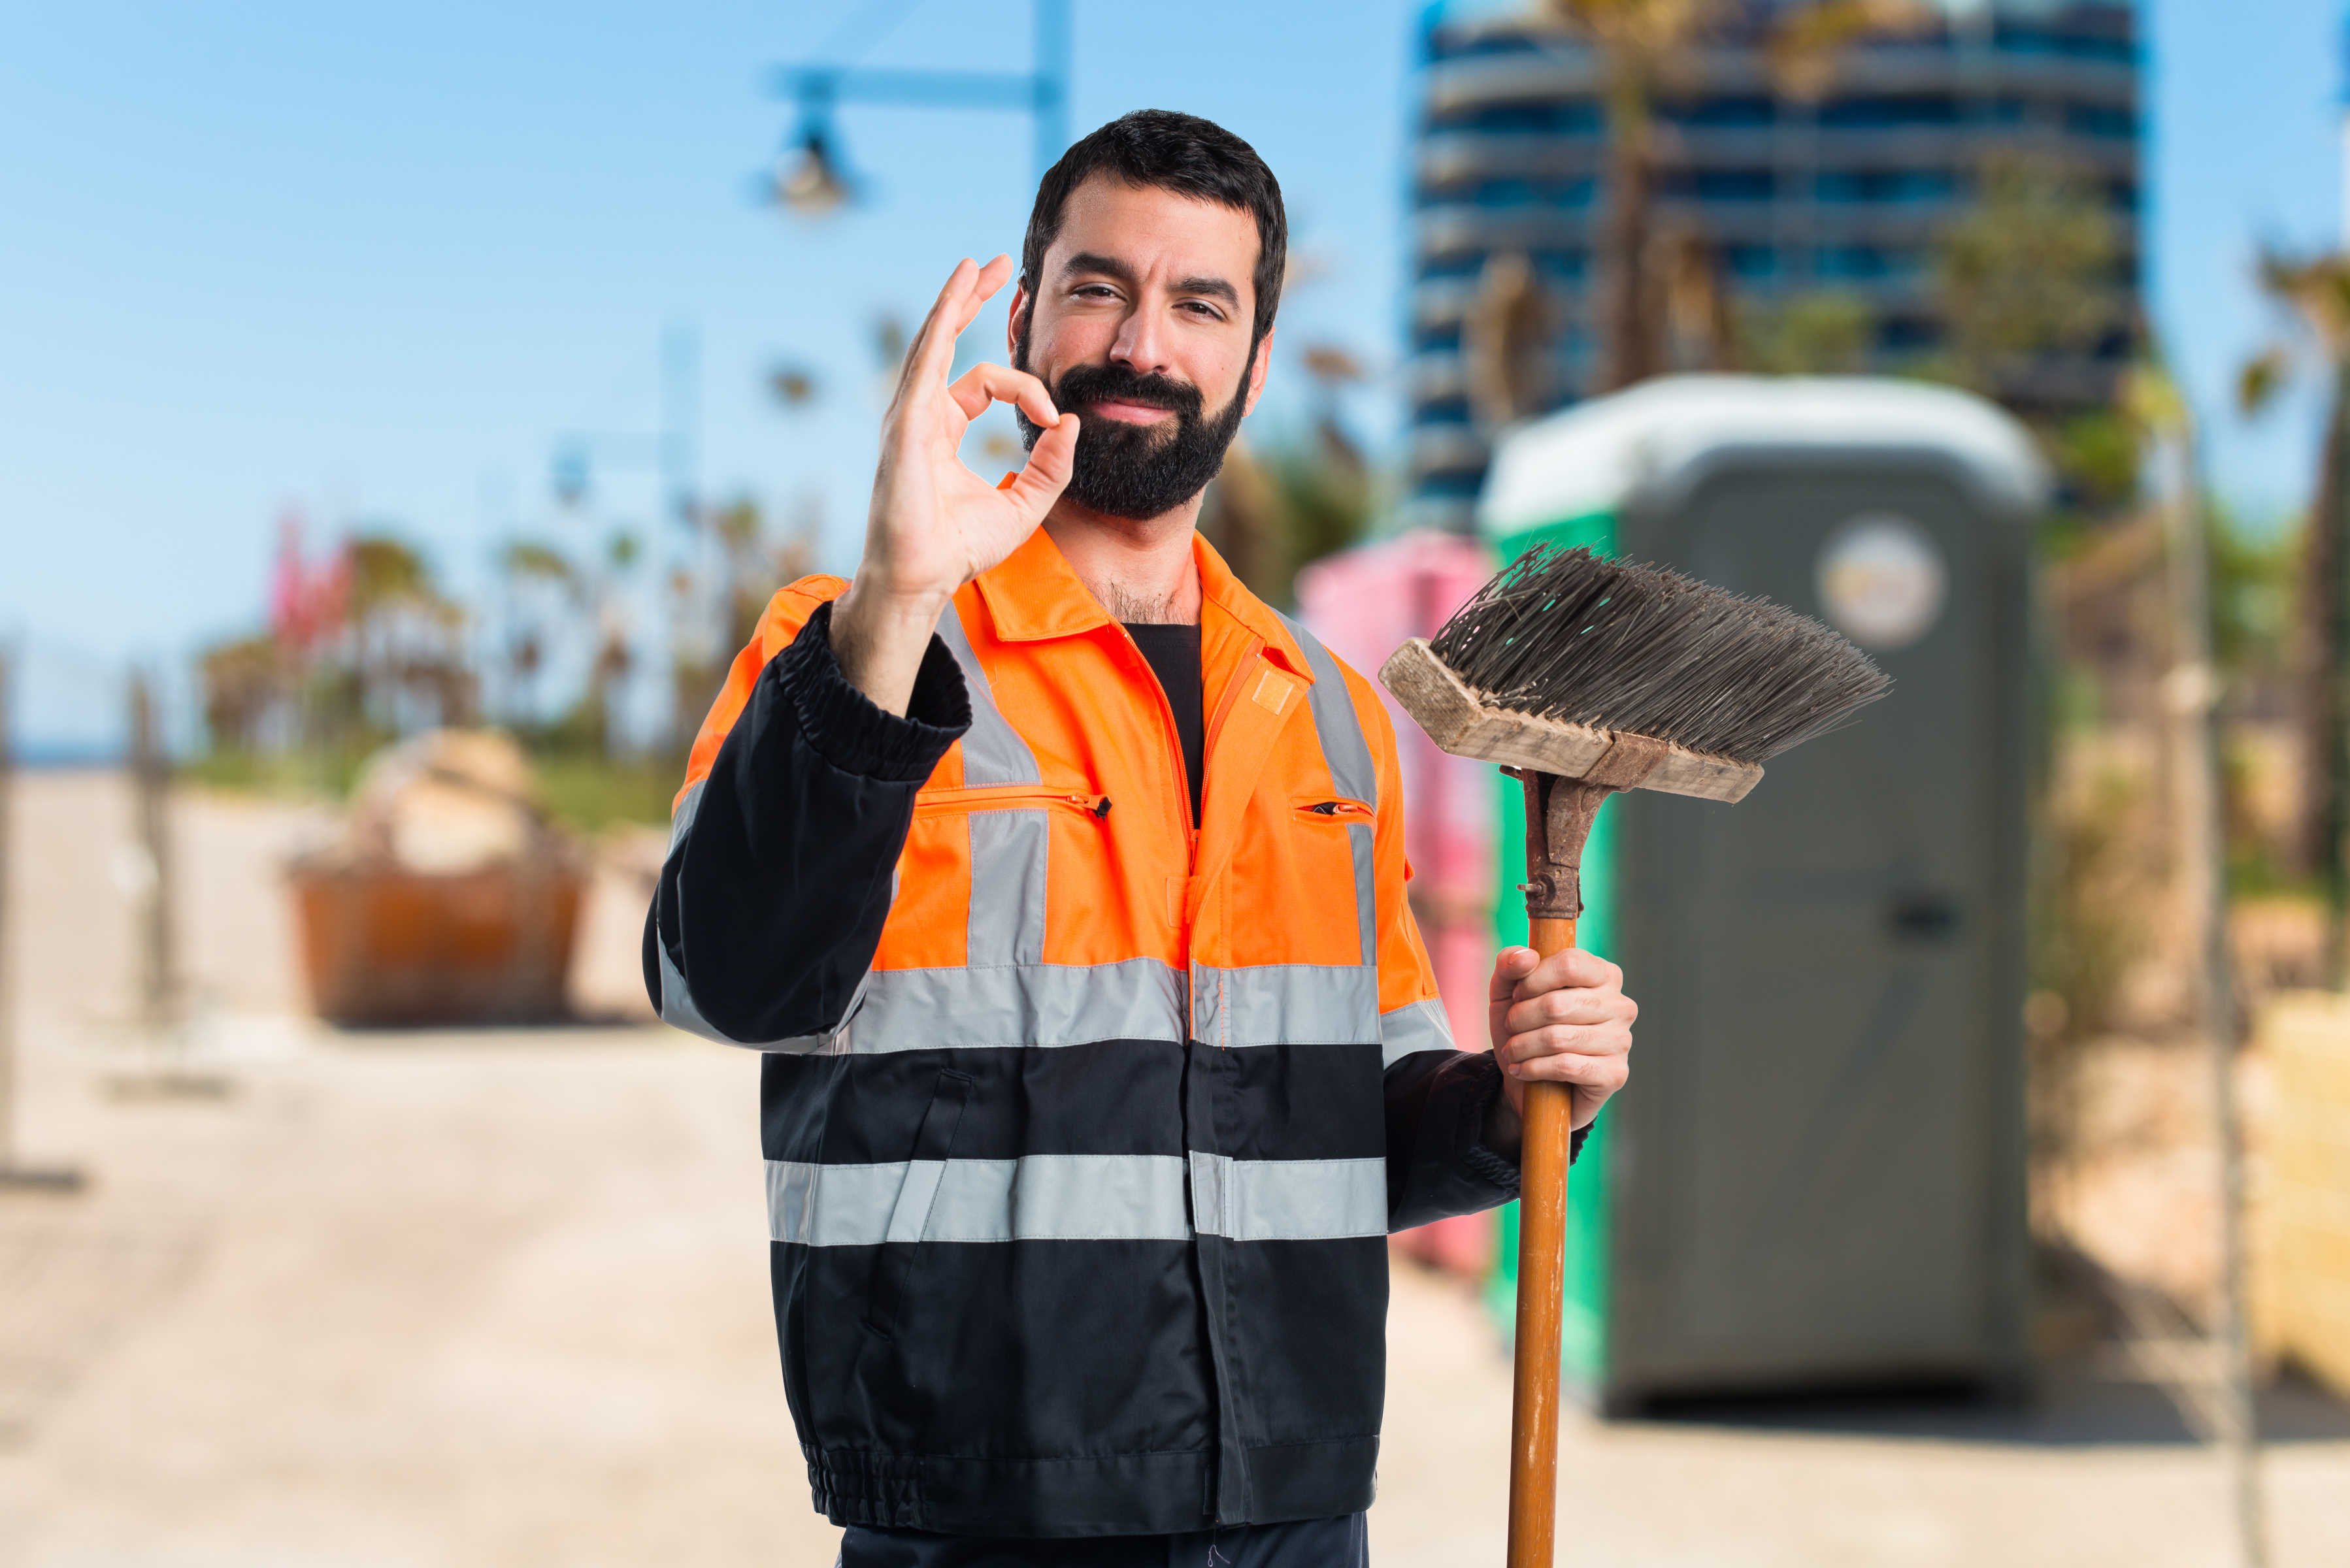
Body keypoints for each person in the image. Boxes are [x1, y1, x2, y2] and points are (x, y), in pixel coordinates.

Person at [645, 109, 1636, 1567]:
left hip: (1294, 1504)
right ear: (1031, 314)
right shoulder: (852, 645)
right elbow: (721, 981)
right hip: (981, 1506)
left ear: (1255, 357)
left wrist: (1507, 1100)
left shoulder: (1329, 712)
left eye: (1199, 304)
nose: (1141, 344)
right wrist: (899, 593)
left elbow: (1342, 1132)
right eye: (1099, 287)